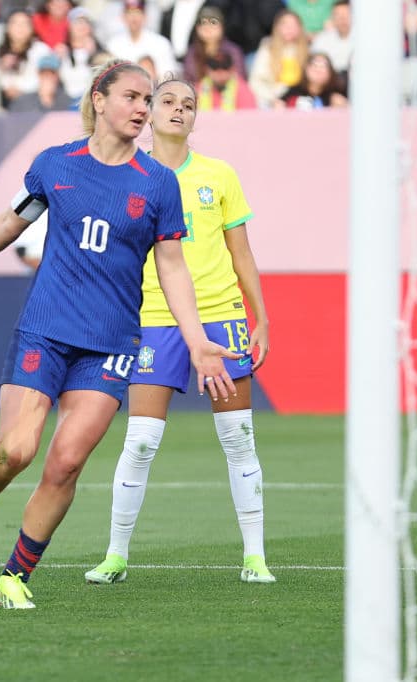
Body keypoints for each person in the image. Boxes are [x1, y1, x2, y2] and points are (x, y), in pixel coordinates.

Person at [0, 58, 240, 610]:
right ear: (99, 99)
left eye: (149, 100)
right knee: (14, 452)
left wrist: (196, 341)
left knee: (66, 461)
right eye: (134, 98)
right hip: (44, 332)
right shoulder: (54, 164)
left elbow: (171, 267)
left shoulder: (159, 183)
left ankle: (15, 576)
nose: (143, 109)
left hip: (112, 345)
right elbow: (13, 219)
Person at [85, 76, 275, 586]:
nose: (177, 110)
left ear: (195, 117)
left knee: (238, 438)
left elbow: (242, 253)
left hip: (223, 317)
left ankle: (255, 558)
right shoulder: (126, 173)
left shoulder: (220, 175)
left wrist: (261, 319)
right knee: (142, 440)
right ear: (149, 111)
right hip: (153, 319)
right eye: (166, 101)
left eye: (187, 105)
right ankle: (116, 555)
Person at [274, 51, 347, 109]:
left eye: (324, 66)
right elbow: (279, 104)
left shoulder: (335, 96)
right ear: (306, 69)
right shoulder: (294, 90)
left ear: (330, 73)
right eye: (315, 65)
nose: (318, 70)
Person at [8, 53, 76, 112]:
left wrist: (48, 98)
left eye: (52, 73)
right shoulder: (23, 101)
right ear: (38, 74)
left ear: (57, 75)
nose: (47, 77)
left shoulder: (68, 101)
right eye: (43, 73)